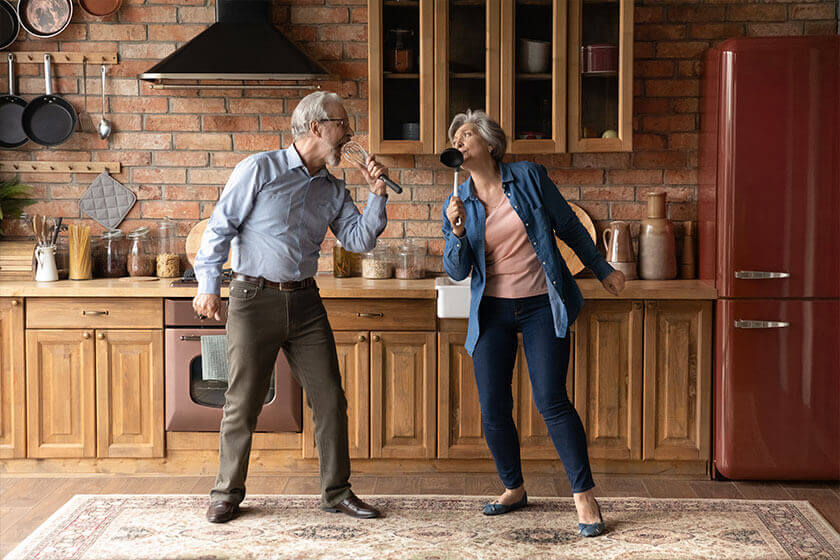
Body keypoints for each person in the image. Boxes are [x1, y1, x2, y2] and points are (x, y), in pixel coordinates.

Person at [193, 91, 389, 523]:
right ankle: (226, 492)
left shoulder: (333, 188)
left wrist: (377, 194)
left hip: (305, 303)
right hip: (252, 298)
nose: (350, 133)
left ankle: (337, 492)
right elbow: (219, 226)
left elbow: (358, 241)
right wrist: (208, 285)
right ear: (317, 127)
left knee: (331, 400)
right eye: (343, 124)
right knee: (242, 401)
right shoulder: (259, 169)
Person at [441, 110, 625, 537]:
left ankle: (583, 495)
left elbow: (569, 228)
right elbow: (456, 270)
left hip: (543, 304)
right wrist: (454, 231)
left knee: (550, 400)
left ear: (489, 144)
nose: (459, 141)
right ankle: (513, 488)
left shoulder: (528, 177)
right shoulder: (459, 201)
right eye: (455, 137)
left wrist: (604, 269)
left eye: (466, 134)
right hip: (493, 311)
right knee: (493, 408)